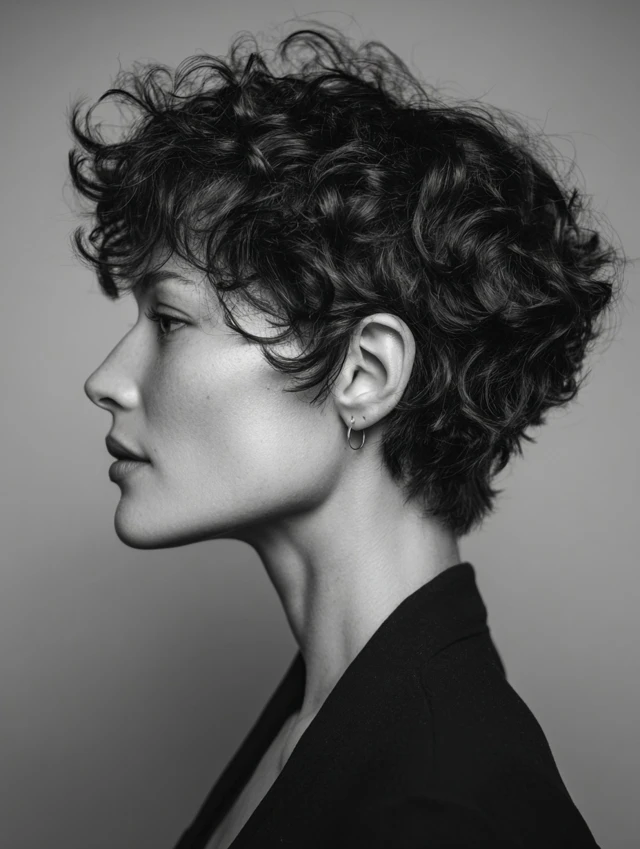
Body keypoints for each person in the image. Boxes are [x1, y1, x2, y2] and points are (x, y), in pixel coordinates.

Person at [70, 24, 623, 849]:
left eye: (171, 319)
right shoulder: (327, 718)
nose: (106, 379)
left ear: (363, 373)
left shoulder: (441, 812)